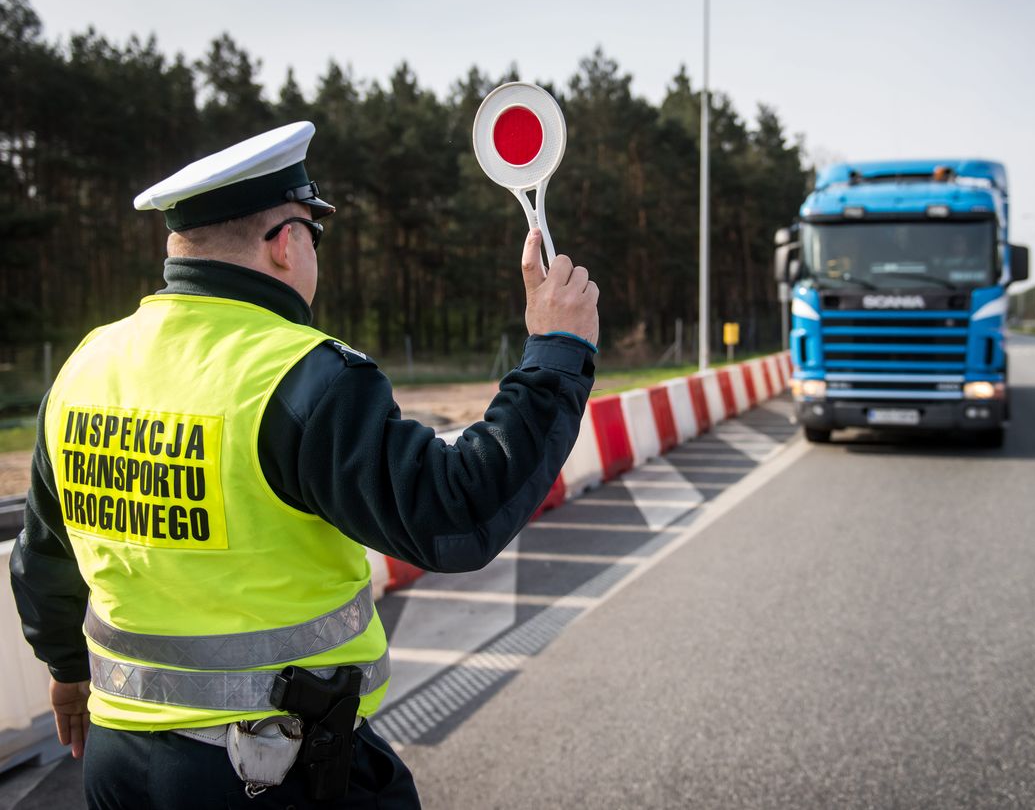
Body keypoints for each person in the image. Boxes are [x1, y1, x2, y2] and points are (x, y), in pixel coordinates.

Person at [9, 121, 599, 808]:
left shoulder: (86, 365)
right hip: (268, 773)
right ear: (287, 242)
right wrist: (556, 349)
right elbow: (457, 511)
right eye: (314, 235)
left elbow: (43, 555)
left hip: (116, 766)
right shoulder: (300, 375)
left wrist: (64, 670)